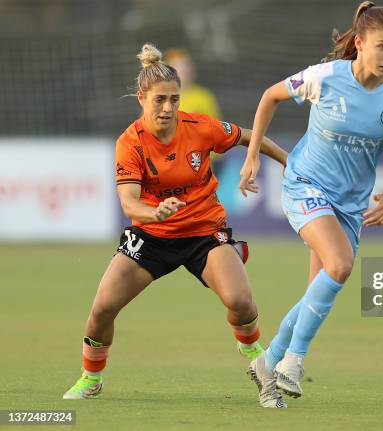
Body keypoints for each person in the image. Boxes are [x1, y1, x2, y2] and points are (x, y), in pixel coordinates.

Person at [63, 43, 289, 408]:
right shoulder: (130, 143)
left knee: (241, 302)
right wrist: (155, 214)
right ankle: (91, 378)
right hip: (151, 236)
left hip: (204, 231)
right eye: (159, 100)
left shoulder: (200, 127)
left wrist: (286, 162)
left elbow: (250, 136)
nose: (168, 108)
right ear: (141, 98)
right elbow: (128, 202)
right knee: (102, 309)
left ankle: (254, 357)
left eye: (174, 99)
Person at [240, 2, 383, 405]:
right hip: (305, 184)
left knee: (316, 292)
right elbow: (270, 96)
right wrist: (253, 154)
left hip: (350, 203)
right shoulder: (325, 78)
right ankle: (294, 361)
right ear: (359, 43)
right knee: (340, 265)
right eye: (381, 47)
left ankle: (267, 363)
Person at [164, 47, 221, 119]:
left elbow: (215, 127)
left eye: (187, 65)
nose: (185, 69)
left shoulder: (204, 97)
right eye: (179, 65)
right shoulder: (158, 97)